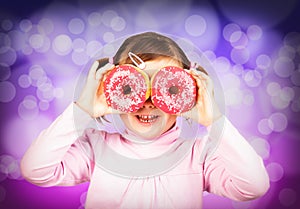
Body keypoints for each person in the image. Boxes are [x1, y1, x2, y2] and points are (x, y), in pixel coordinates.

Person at [21, 32, 269, 209]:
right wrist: (83, 110)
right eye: (131, 87)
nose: (148, 101)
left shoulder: (199, 154)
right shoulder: (95, 148)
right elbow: (35, 169)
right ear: (110, 88)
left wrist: (213, 119)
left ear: (189, 91)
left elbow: (254, 186)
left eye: (168, 88)